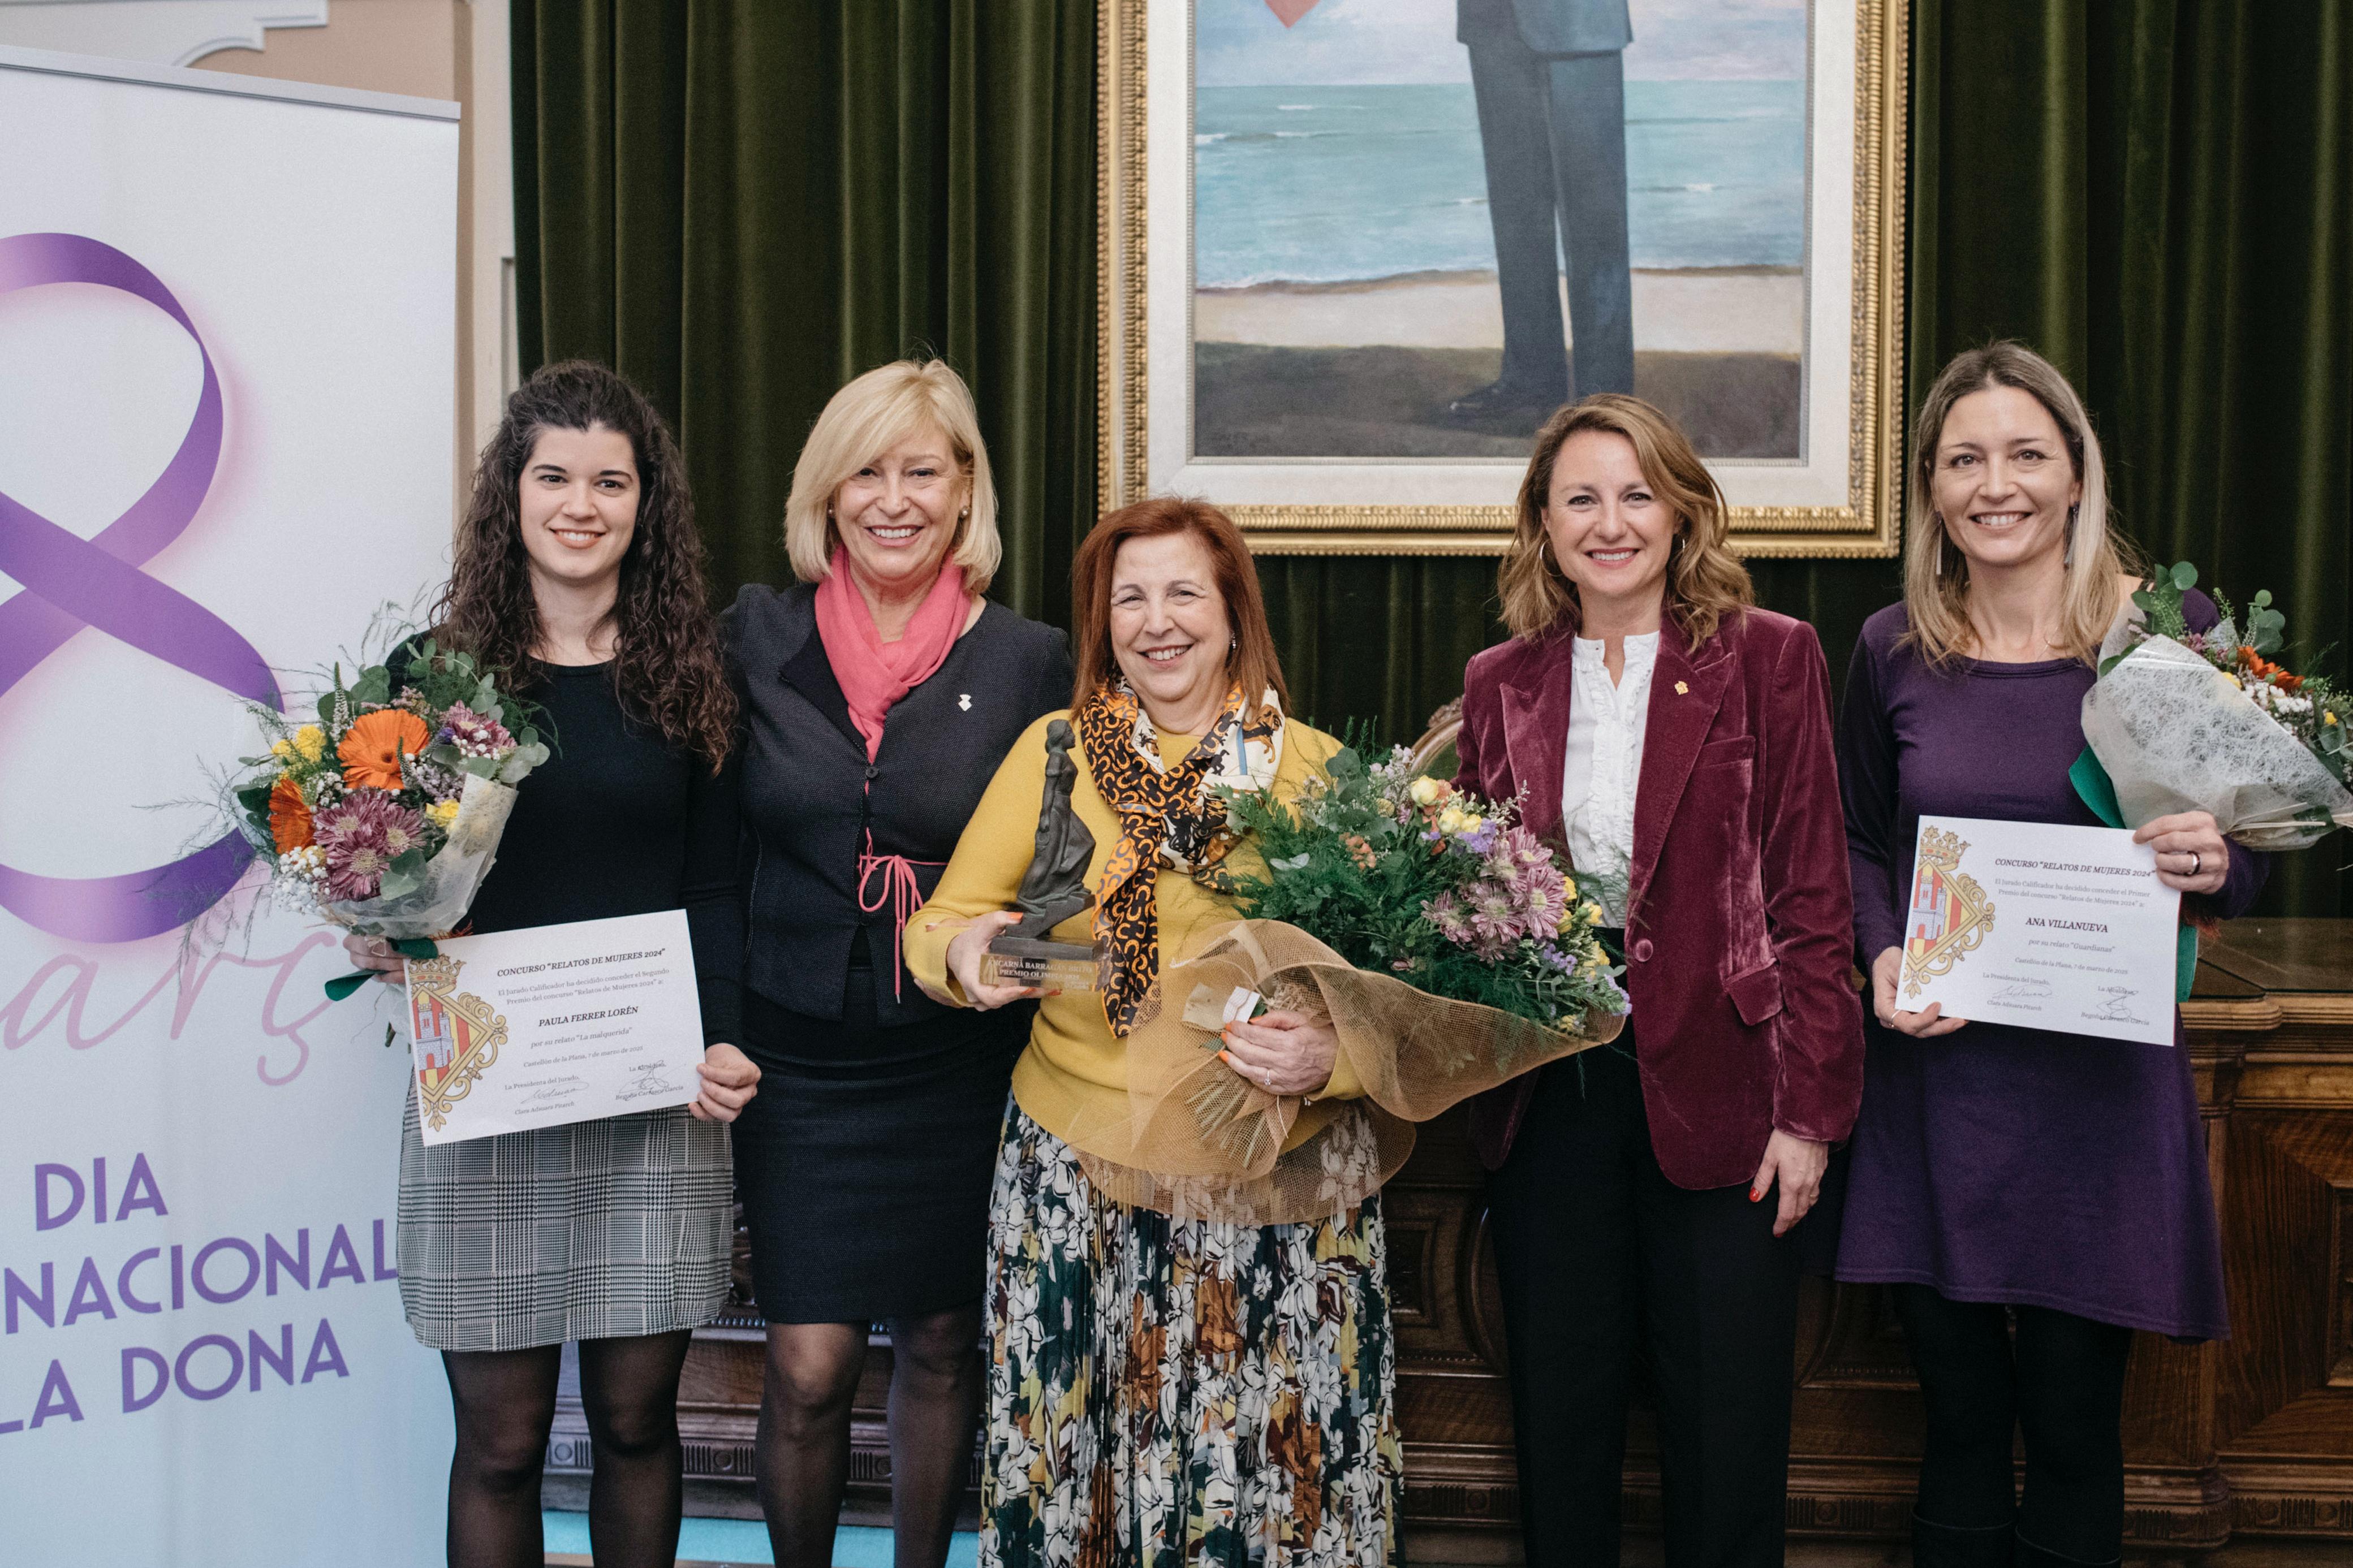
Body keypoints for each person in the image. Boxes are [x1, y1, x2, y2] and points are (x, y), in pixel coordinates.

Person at [904, 498, 1404, 1568]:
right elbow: (941, 922)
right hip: (1074, 1169)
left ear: (1233, 614)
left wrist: (1334, 1059)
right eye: (1129, 597)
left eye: (1184, 592)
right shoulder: (1058, 753)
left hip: (1262, 1177)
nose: (1156, 620)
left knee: (1256, 1476)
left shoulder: (1316, 771)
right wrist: (961, 955)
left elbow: (1397, 995)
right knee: (1075, 1455)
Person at [1835, 342, 2265, 1568]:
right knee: (1959, 1422)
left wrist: (2214, 863)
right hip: (1942, 1088)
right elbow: (1862, 838)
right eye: (1964, 459)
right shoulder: (1889, 649)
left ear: (2076, 474)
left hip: (2099, 1098)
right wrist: (1878, 957)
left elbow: (2251, 846)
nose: (1995, 483)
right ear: (1930, 489)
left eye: (2025, 453)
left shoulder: (2170, 635)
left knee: (2075, 1427)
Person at [343, 360, 761, 1568]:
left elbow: (716, 882)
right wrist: (383, 930)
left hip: (657, 1093)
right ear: (512, 494)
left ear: (646, 503)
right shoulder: (435, 677)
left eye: (611, 480)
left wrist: (726, 1037)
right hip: (485, 1095)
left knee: (637, 1424)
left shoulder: (691, 675)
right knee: (505, 1443)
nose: (582, 503)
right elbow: (378, 869)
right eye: (555, 475)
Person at [1452, 393, 1863, 1568]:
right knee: (1561, 1428)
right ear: (1543, 523)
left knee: (1728, 1437)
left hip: (1729, 1097)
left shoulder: (1769, 657)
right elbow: (1473, 898)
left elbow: (1811, 901)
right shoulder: (1501, 680)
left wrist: (1810, 1116)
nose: (1610, 522)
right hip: (1551, 1096)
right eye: (1580, 498)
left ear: (1683, 514)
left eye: (1637, 495)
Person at [724, 359, 1073, 1568]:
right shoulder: (752, 638)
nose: (892, 497)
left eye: (921, 469)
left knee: (940, 1340)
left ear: (963, 486)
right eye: (865, 469)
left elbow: (1071, 875)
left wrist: (1009, 961)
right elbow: (704, 849)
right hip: (793, 1058)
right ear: (826, 491)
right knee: (808, 1363)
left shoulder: (1034, 660)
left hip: (959, 1061)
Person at [1449, 0, 1637, 427]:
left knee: (1595, 226)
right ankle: (1529, 383)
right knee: (1516, 220)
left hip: (1579, 24)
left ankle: (1606, 398)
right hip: (1493, 23)